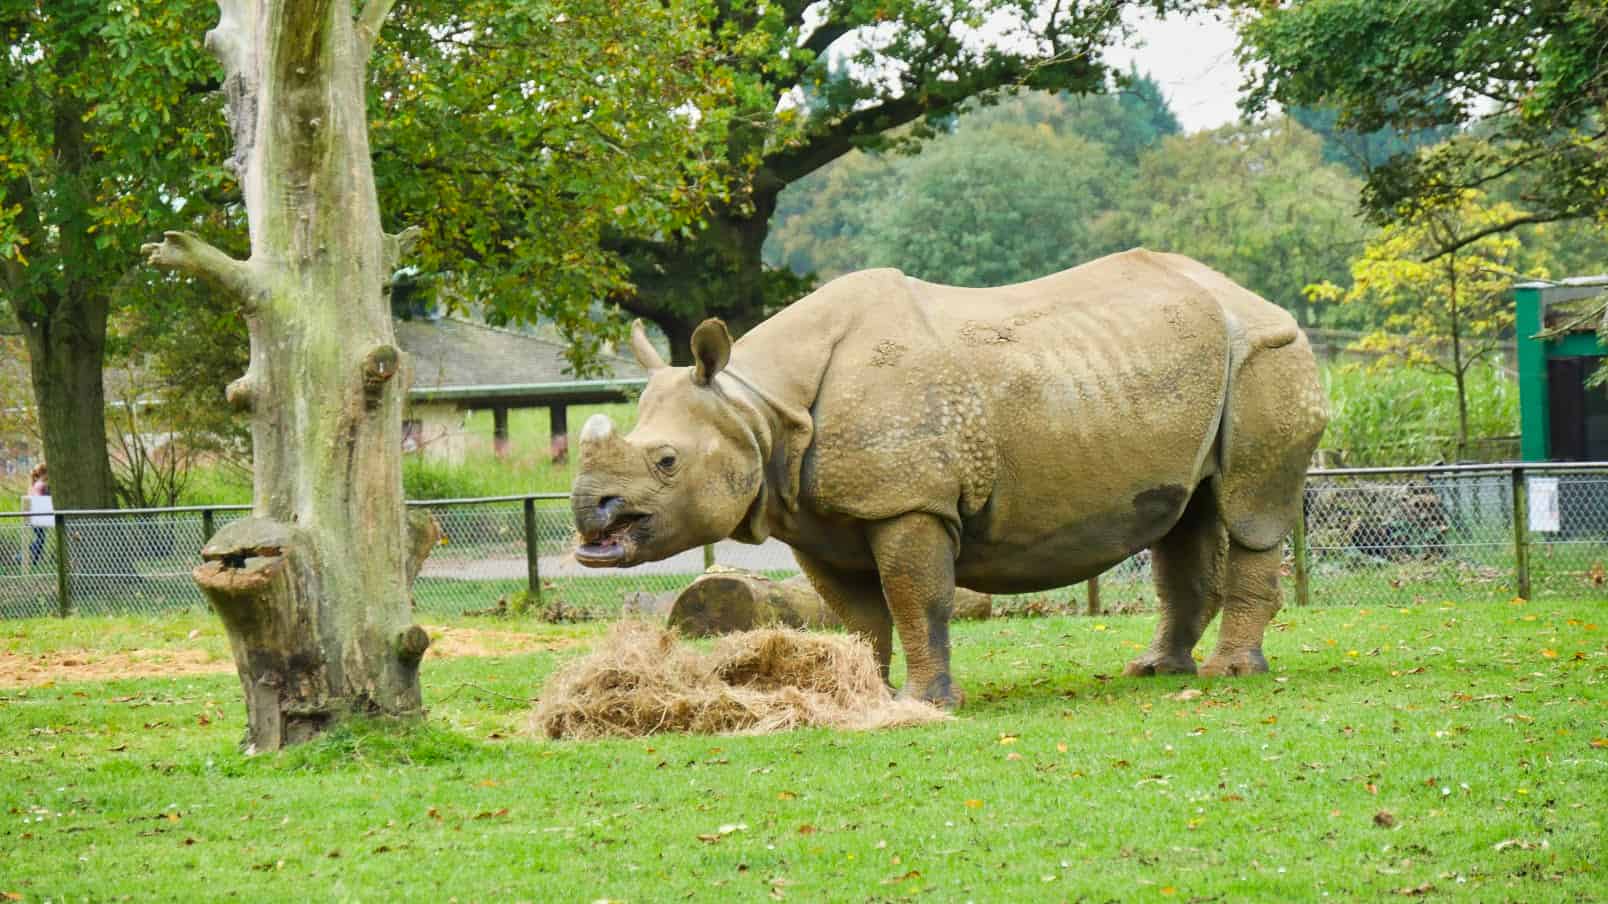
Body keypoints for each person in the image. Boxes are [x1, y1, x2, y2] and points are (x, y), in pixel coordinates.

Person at [25, 463, 49, 566]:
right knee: (41, 538)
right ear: (45, 473)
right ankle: (21, 556)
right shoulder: (42, 485)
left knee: (41, 538)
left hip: (32, 515)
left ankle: (33, 560)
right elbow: (46, 498)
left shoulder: (34, 484)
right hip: (38, 515)